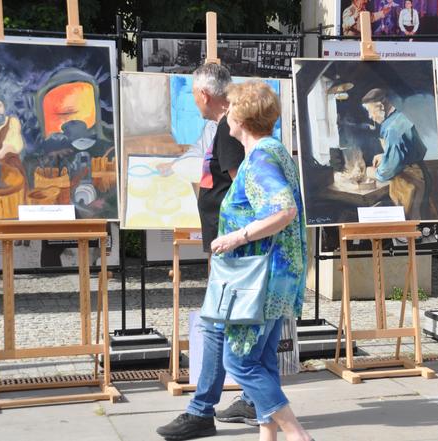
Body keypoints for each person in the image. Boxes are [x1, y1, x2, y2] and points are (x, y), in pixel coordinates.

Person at [156, 64, 257, 441]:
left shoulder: (229, 129)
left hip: (231, 245)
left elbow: (242, 189)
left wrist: (234, 239)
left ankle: (202, 410)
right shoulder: (227, 124)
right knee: (237, 323)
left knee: (216, 323)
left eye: (193, 95)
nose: (193, 100)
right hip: (230, 242)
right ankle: (250, 398)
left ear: (204, 95)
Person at [209, 80, 312, 441]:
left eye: (230, 109)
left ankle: (298, 435)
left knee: (239, 360)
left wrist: (237, 236)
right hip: (279, 274)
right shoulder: (276, 150)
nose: (225, 115)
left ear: (241, 115)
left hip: (260, 278)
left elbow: (283, 209)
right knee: (264, 362)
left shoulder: (259, 160)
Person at [362, 88, 432, 219]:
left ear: (380, 106)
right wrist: (384, 156)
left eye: (369, 111)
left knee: (410, 224)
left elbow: (388, 170)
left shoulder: (392, 128)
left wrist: (369, 172)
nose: (370, 116)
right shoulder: (400, 118)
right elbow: (410, 150)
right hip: (420, 175)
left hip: (410, 182)